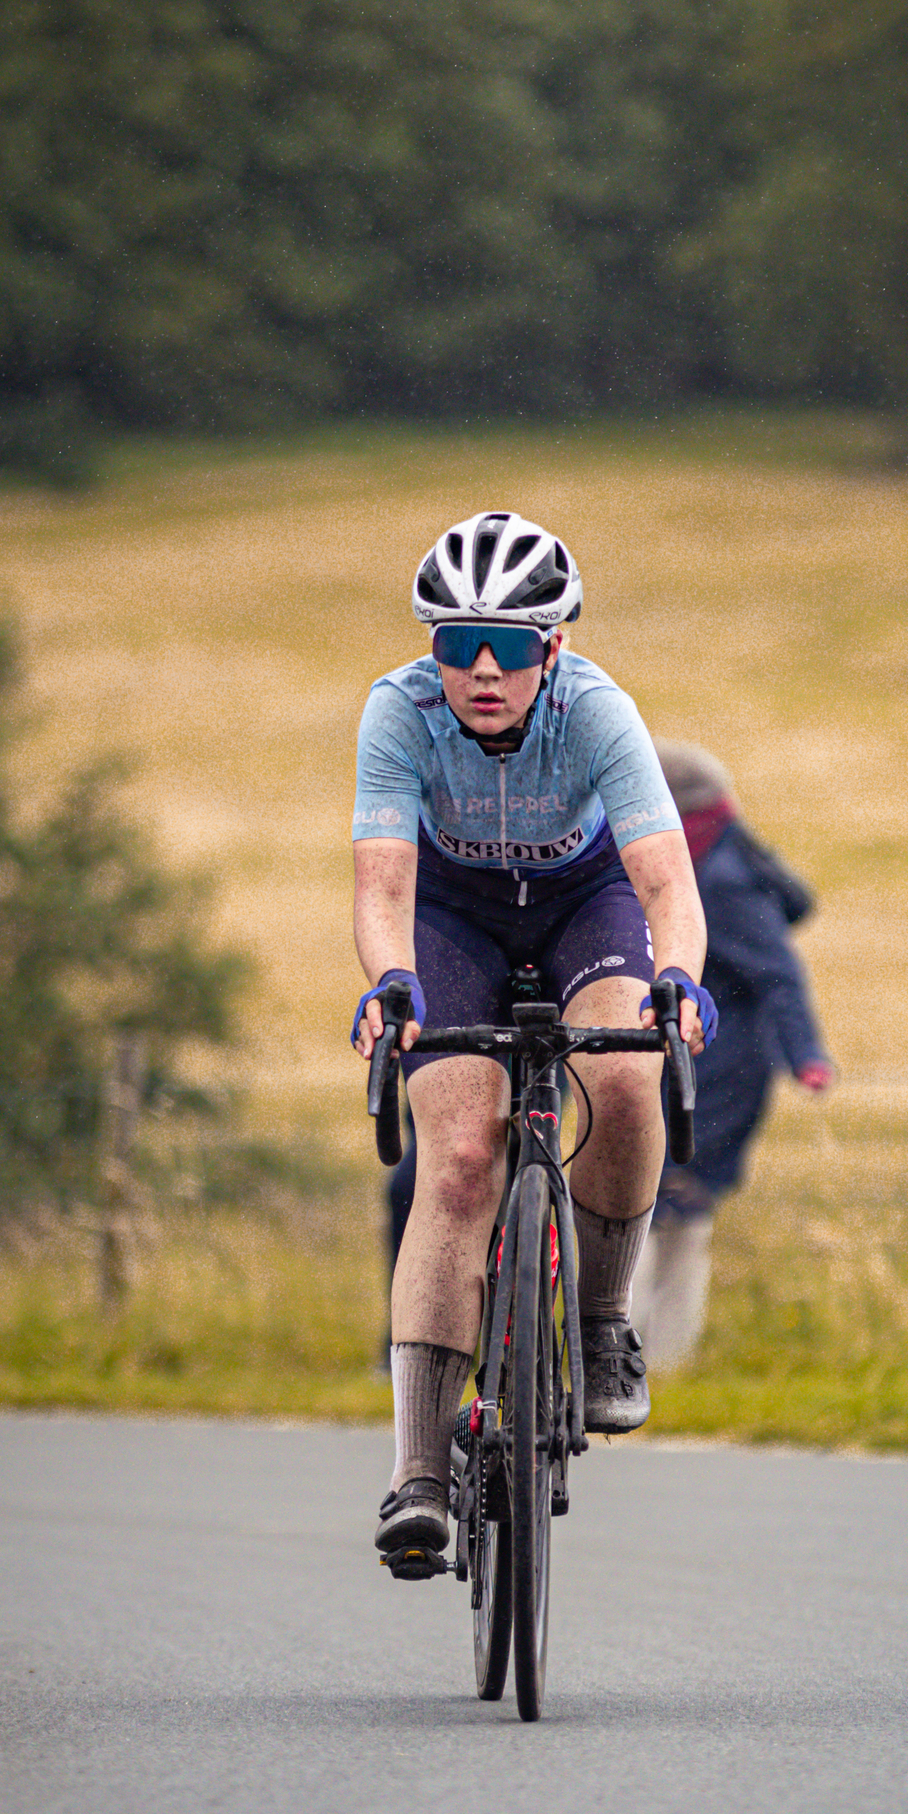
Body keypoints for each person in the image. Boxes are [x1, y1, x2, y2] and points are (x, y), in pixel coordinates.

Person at [352, 510, 715, 1568]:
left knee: (628, 1075)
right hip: (452, 917)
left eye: (506, 648)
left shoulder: (598, 711)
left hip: (581, 903)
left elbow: (662, 882)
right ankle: (418, 1471)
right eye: (452, 643)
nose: (478, 670)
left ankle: (602, 1324)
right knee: (460, 1158)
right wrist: (392, 981)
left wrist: (677, 976)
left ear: (550, 649)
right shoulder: (397, 713)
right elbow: (382, 885)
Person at [631, 741, 835, 1373]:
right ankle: (655, 1365)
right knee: (669, 1216)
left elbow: (779, 976)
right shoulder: (721, 857)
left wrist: (807, 1055)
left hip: (712, 1081)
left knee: (646, 1213)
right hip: (704, 1071)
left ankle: (635, 1361)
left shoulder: (719, 882)